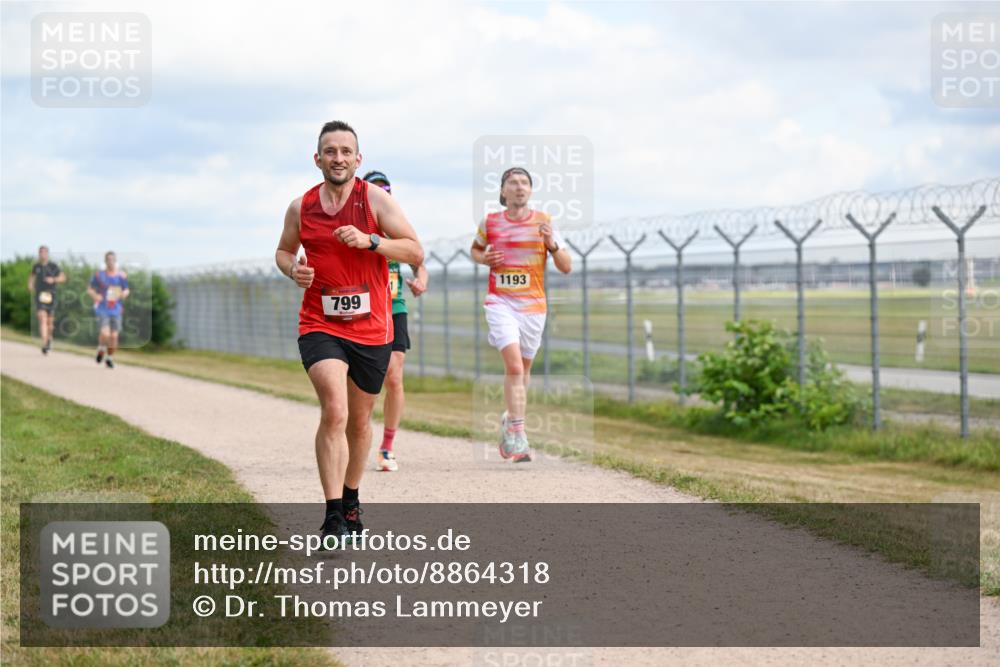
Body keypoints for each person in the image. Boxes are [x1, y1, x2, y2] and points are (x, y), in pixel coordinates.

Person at [275, 121, 423, 545]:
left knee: (359, 422)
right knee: (335, 411)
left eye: (345, 151)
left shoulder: (374, 201)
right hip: (319, 323)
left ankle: (353, 499)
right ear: (317, 158)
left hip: (374, 327)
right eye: (330, 151)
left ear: (358, 160)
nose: (337, 158)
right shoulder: (300, 207)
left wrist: (370, 241)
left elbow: (414, 250)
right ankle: (333, 515)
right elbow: (283, 250)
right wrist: (293, 270)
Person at [470, 167, 572, 462]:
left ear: (530, 190)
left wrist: (552, 244)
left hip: (533, 307)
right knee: (514, 368)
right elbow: (475, 250)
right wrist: (484, 257)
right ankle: (518, 432)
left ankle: (510, 420)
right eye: (512, 182)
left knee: (523, 371)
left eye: (524, 182)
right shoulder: (489, 222)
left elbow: (566, 266)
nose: (519, 187)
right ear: (502, 191)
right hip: (500, 303)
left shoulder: (545, 222)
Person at [361, 170, 429, 472]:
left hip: (395, 307)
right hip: (364, 310)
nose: (381, 192)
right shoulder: (358, 228)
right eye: (375, 188)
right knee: (364, 383)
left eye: (386, 188)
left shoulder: (395, 225)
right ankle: (356, 433)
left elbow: (419, 262)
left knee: (394, 375)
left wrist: (420, 281)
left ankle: (387, 447)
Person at [87, 251, 130, 369]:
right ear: (105, 261)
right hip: (103, 308)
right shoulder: (99, 275)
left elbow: (126, 289)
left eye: (112, 259)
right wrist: (95, 296)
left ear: (115, 261)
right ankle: (101, 348)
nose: (110, 262)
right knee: (105, 333)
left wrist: (123, 294)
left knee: (114, 336)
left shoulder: (120, 276)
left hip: (116, 309)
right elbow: (90, 289)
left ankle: (109, 358)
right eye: (108, 259)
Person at [28, 245, 66, 354]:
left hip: (51, 295)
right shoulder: (36, 266)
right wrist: (30, 285)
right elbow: (31, 277)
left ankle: (49, 339)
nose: (42, 254)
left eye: (44, 252)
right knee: (42, 317)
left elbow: (63, 278)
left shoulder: (53, 266)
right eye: (40, 252)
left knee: (50, 322)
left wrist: (53, 279)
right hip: (40, 295)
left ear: (47, 254)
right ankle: (44, 344)